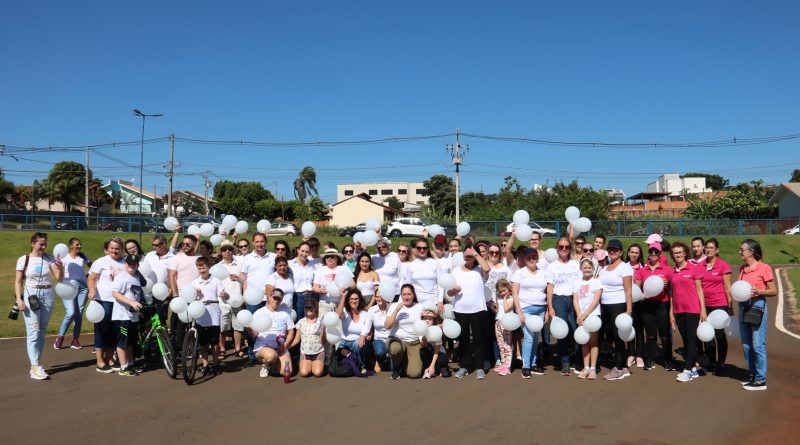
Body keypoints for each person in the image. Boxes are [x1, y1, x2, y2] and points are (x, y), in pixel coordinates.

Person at [15, 232, 64, 380]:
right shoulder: (24, 259)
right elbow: (18, 281)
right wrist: (19, 299)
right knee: (33, 331)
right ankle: (35, 366)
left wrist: (60, 267)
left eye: (45, 244)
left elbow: (59, 279)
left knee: (42, 331)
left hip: (47, 295)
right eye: (40, 244)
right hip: (31, 296)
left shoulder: (49, 258)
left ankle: (36, 364)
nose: (43, 246)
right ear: (33, 243)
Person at [737, 238, 776, 391]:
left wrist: (760, 291)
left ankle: (761, 380)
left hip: (757, 305)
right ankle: (752, 374)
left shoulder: (764, 268)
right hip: (743, 306)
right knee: (746, 345)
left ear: (751, 252)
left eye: (742, 250)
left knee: (758, 344)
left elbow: (774, 291)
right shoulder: (742, 269)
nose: (740, 252)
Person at [448, 246, 490, 380]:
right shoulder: (456, 271)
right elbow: (448, 292)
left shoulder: (479, 270)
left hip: (477, 309)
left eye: (470, 256)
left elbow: (487, 269)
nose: (467, 258)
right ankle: (464, 366)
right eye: (465, 256)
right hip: (460, 310)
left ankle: (479, 367)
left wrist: (476, 254)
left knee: (478, 339)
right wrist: (453, 291)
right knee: (463, 339)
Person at [668, 242, 706, 383]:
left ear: (685, 253)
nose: (678, 255)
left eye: (680, 252)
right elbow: (672, 295)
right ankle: (694, 368)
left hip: (692, 310)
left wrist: (703, 310)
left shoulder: (693, 269)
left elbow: (699, 290)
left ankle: (687, 370)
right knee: (686, 340)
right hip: (679, 310)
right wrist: (671, 313)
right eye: (675, 253)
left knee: (691, 340)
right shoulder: (672, 272)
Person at [597, 239, 633, 381]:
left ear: (621, 252)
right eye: (610, 249)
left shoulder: (625, 267)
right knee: (611, 336)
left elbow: (628, 291)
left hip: (619, 305)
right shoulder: (605, 268)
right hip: (605, 306)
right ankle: (623, 365)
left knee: (618, 337)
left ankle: (617, 368)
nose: (612, 252)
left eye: (615, 250)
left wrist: (628, 311)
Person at [635, 242, 674, 371]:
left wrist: (667, 284)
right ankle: (650, 360)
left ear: (660, 254)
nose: (653, 254)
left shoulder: (667, 270)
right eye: (651, 252)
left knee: (664, 335)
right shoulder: (642, 270)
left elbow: (673, 288)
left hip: (662, 304)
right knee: (650, 335)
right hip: (647, 305)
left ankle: (668, 360)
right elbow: (637, 287)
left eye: (655, 252)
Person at [88, 237, 125, 373]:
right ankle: (100, 361)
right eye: (112, 248)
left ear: (121, 249)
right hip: (103, 300)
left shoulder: (125, 262)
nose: (114, 251)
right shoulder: (101, 262)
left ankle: (110, 359)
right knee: (102, 330)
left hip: (120, 302)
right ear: (108, 249)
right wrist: (92, 291)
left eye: (117, 248)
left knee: (114, 331)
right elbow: (92, 279)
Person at [546, 237, 581, 376]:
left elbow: (580, 283)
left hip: (574, 299)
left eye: (567, 247)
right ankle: (565, 362)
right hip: (558, 300)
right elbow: (550, 287)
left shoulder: (575, 264)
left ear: (570, 248)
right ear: (557, 248)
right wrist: (550, 306)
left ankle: (578, 360)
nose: (564, 249)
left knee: (577, 330)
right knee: (562, 333)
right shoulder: (552, 266)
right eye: (561, 247)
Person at [512, 248, 549, 378]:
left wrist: (547, 310)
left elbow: (547, 292)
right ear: (525, 259)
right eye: (529, 258)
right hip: (526, 308)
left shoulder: (543, 273)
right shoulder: (519, 273)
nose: (532, 260)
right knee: (528, 337)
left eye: (534, 257)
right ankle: (526, 367)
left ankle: (533, 364)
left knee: (535, 338)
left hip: (541, 309)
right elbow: (515, 294)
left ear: (537, 258)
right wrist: (519, 312)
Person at [698, 238, 733, 375]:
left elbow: (727, 287)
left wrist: (730, 306)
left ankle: (721, 362)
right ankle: (711, 361)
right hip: (705, 305)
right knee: (708, 334)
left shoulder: (723, 266)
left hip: (720, 305)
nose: (708, 250)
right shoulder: (700, 266)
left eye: (711, 248)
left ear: (717, 250)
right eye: (706, 247)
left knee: (719, 334)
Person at [240, 232, 276, 363]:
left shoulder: (273, 257)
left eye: (262, 241)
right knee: (252, 326)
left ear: (265, 242)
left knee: (269, 325)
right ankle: (252, 353)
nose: (260, 244)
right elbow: (244, 278)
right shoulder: (247, 258)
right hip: (252, 298)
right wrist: (244, 294)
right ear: (253, 243)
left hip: (269, 298)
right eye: (257, 242)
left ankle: (270, 351)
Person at [110, 254, 145, 376]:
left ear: (138, 265)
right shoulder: (121, 277)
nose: (131, 266)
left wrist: (138, 311)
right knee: (122, 342)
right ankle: (123, 367)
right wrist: (130, 302)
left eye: (134, 264)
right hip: (122, 316)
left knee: (130, 342)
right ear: (125, 264)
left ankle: (130, 364)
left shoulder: (136, 278)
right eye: (129, 263)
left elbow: (136, 296)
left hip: (132, 316)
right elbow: (115, 293)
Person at [191, 256, 228, 374]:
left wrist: (223, 294)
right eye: (199, 268)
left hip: (213, 314)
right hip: (201, 315)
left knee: (214, 341)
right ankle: (205, 363)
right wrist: (194, 293)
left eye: (204, 268)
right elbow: (191, 297)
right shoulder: (195, 282)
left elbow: (224, 295)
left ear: (209, 268)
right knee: (202, 342)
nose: (202, 270)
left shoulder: (216, 281)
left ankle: (216, 363)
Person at [54, 237, 91, 350]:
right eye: (77, 245)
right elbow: (57, 271)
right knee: (70, 313)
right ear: (71, 246)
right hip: (69, 287)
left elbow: (93, 267)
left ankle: (75, 339)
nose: (79, 246)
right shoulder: (64, 257)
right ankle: (60, 338)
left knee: (78, 313)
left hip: (83, 287)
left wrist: (86, 276)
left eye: (80, 244)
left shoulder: (82, 257)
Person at [249, 289, 295, 378]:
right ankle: (266, 365)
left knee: (287, 372)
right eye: (274, 298)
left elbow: (291, 332)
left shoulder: (284, 314)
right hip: (263, 346)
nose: (276, 301)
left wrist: (284, 346)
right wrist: (248, 329)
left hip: (280, 347)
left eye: (279, 299)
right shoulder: (259, 312)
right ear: (269, 297)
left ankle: (274, 364)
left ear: (281, 300)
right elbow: (254, 335)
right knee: (270, 356)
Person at [168, 234, 200, 352]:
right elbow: (172, 276)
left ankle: (195, 346)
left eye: (188, 244)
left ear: (194, 245)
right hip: (180, 296)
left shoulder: (198, 259)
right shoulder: (176, 258)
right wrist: (175, 295)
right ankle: (179, 348)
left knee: (195, 323)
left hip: (195, 296)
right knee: (180, 323)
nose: (185, 246)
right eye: (183, 244)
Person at [385, 284, 424, 380]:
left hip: (414, 342)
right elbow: (387, 326)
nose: (406, 297)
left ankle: (406, 363)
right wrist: (396, 310)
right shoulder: (394, 306)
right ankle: (397, 368)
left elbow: (424, 325)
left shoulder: (420, 307)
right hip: (398, 340)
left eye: (409, 294)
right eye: (404, 294)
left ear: (413, 295)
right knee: (395, 349)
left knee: (415, 374)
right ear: (401, 295)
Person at [573, 258, 602, 380]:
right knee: (584, 341)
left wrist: (585, 314)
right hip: (581, 316)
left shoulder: (597, 281)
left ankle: (593, 369)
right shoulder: (577, 282)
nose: (587, 270)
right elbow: (575, 300)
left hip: (593, 315)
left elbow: (596, 300)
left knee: (593, 342)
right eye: (584, 267)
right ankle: (586, 367)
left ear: (593, 268)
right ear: (581, 269)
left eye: (589, 267)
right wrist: (579, 315)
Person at [217, 240, 245, 358]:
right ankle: (222, 348)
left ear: (233, 250)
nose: (227, 251)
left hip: (237, 300)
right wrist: (220, 293)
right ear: (221, 252)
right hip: (223, 302)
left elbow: (245, 281)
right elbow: (214, 284)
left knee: (238, 326)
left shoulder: (240, 264)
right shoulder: (217, 267)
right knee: (223, 327)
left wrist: (239, 279)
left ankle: (237, 348)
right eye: (224, 249)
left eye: (229, 249)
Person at [336, 288, 372, 373]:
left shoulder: (365, 314)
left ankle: (361, 365)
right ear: (348, 301)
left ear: (360, 300)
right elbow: (337, 316)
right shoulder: (345, 312)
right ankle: (351, 361)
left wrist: (366, 336)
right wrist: (343, 297)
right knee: (338, 347)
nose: (354, 301)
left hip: (358, 341)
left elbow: (367, 328)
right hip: (343, 342)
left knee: (357, 344)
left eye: (356, 299)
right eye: (351, 299)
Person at [288, 299, 325, 377]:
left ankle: (318, 364)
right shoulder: (300, 322)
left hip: (318, 352)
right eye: (306, 308)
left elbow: (323, 342)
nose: (308, 309)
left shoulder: (321, 322)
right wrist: (287, 346)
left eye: (310, 307)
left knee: (317, 373)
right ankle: (309, 364)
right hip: (305, 353)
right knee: (304, 373)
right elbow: (297, 339)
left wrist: (323, 333)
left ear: (315, 308)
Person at [312, 248, 352, 319]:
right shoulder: (320, 270)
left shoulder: (344, 269)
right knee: (324, 326)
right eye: (327, 257)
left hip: (341, 303)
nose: (329, 258)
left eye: (332, 256)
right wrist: (320, 290)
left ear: (337, 258)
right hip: (325, 303)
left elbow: (353, 284)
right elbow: (315, 287)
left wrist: (346, 287)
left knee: (340, 325)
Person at [403, 237, 443, 309]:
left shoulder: (435, 263)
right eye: (419, 248)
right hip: (417, 304)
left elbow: (441, 284)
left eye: (424, 248)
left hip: (434, 302)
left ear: (428, 249)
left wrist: (440, 301)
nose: (422, 250)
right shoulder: (411, 265)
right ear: (416, 248)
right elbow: (407, 285)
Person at [626, 243, 646, 369]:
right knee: (628, 328)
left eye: (636, 252)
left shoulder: (644, 268)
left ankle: (639, 355)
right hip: (626, 303)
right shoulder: (623, 267)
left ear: (639, 255)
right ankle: (631, 354)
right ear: (628, 253)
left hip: (640, 303)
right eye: (632, 252)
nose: (634, 254)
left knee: (639, 328)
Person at [365, 289, 393, 372]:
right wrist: (363, 335)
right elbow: (367, 326)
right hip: (379, 339)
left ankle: (389, 356)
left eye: (381, 297)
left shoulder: (392, 308)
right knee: (379, 352)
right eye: (377, 297)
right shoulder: (372, 310)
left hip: (392, 338)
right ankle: (379, 360)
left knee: (392, 369)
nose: (379, 299)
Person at [492, 279, 515, 376]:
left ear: (508, 289)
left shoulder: (512, 299)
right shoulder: (499, 298)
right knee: (500, 345)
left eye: (504, 291)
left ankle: (507, 367)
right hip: (498, 322)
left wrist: (505, 298)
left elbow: (506, 309)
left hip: (507, 323)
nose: (502, 293)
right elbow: (498, 310)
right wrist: (491, 307)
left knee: (507, 345)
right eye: (500, 291)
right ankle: (503, 363)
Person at [289, 241, 317, 320]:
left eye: (307, 252)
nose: (304, 254)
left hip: (311, 296)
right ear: (298, 250)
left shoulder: (312, 264)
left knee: (310, 320)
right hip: (298, 297)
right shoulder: (290, 264)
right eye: (302, 251)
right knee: (298, 320)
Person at [419, 308, 448, 379]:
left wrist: (432, 365)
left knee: (443, 360)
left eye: (430, 319)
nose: (427, 320)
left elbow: (437, 350)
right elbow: (424, 345)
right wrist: (424, 336)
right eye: (425, 318)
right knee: (422, 351)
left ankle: (441, 367)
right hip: (428, 351)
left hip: (438, 353)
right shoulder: (420, 330)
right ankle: (426, 369)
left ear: (433, 321)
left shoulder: (436, 331)